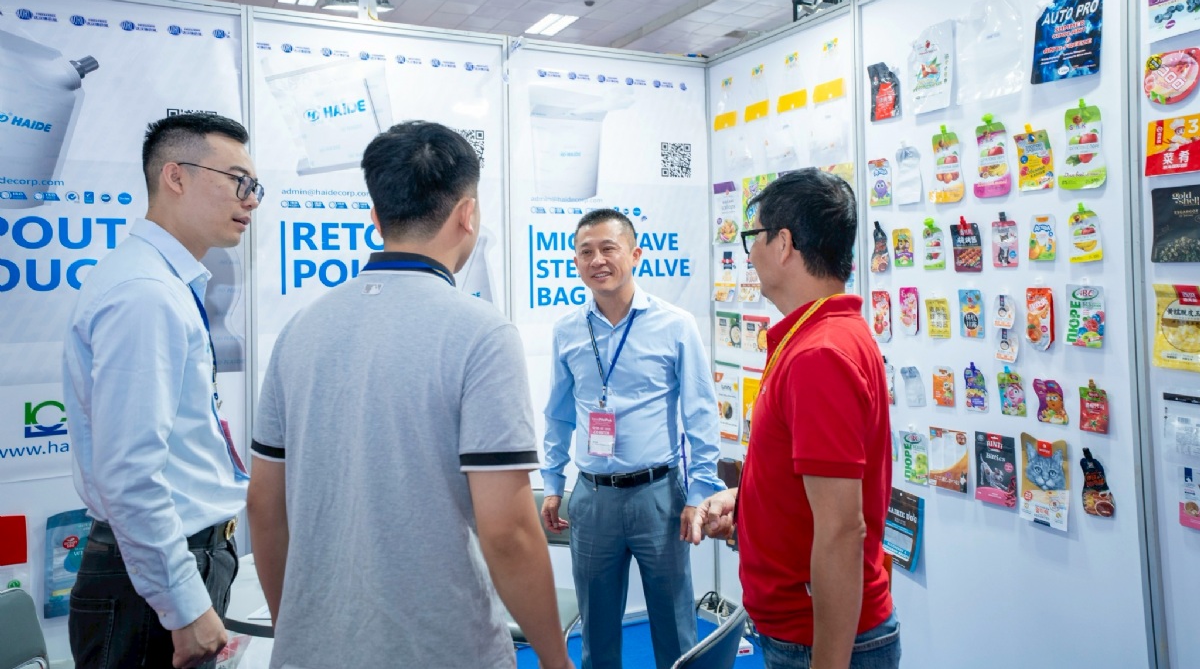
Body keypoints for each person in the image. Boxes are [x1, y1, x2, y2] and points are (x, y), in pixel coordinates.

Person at [246, 121, 572, 669]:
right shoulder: (482, 333)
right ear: (468, 214)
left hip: (312, 649)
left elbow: (263, 504)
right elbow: (508, 532)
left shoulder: (301, 328)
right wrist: (555, 660)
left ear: (376, 218)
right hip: (441, 648)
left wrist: (296, 632)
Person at [63, 113, 263, 669]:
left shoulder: (162, 282)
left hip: (169, 566)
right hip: (153, 582)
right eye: (238, 181)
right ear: (175, 176)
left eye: (255, 186)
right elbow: (129, 471)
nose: (251, 200)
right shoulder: (144, 293)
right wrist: (184, 606)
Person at [686, 168, 899, 669]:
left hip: (816, 641)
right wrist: (746, 503)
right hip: (804, 631)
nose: (749, 255)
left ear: (782, 244)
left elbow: (842, 530)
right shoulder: (823, 335)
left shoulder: (819, 354)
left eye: (753, 238)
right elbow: (815, 485)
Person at [541, 209, 723, 669]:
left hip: (658, 496)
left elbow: (700, 414)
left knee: (675, 625)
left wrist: (699, 495)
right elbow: (558, 414)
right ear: (576, 262)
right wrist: (552, 481)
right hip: (592, 498)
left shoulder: (675, 324)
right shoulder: (567, 330)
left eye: (608, 248)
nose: (597, 260)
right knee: (597, 632)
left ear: (635, 254)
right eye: (586, 252)